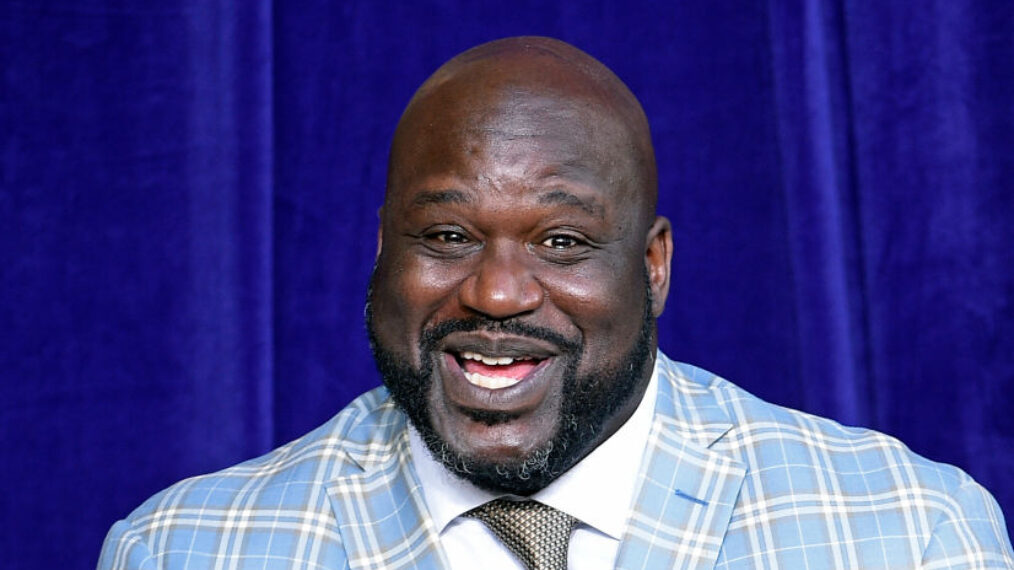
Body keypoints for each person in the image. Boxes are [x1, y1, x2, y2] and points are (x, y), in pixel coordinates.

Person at [99, 36, 1013, 569]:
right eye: (448, 238)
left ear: (653, 267)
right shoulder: (186, 549)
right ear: (382, 254)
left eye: (563, 243)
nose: (497, 292)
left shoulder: (906, 531)